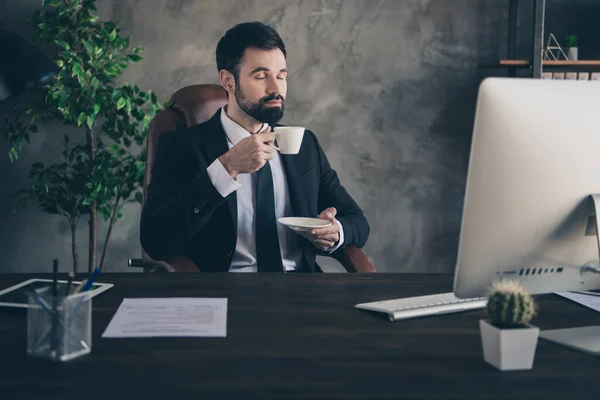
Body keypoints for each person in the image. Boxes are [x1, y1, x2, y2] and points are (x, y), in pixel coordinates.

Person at [140, 22, 369, 272]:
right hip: (224, 292)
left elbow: (357, 222)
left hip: (301, 292)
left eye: (281, 75)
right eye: (261, 76)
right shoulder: (182, 146)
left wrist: (335, 232)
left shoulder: (305, 146)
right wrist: (225, 168)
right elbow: (156, 240)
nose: (275, 88)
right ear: (228, 81)